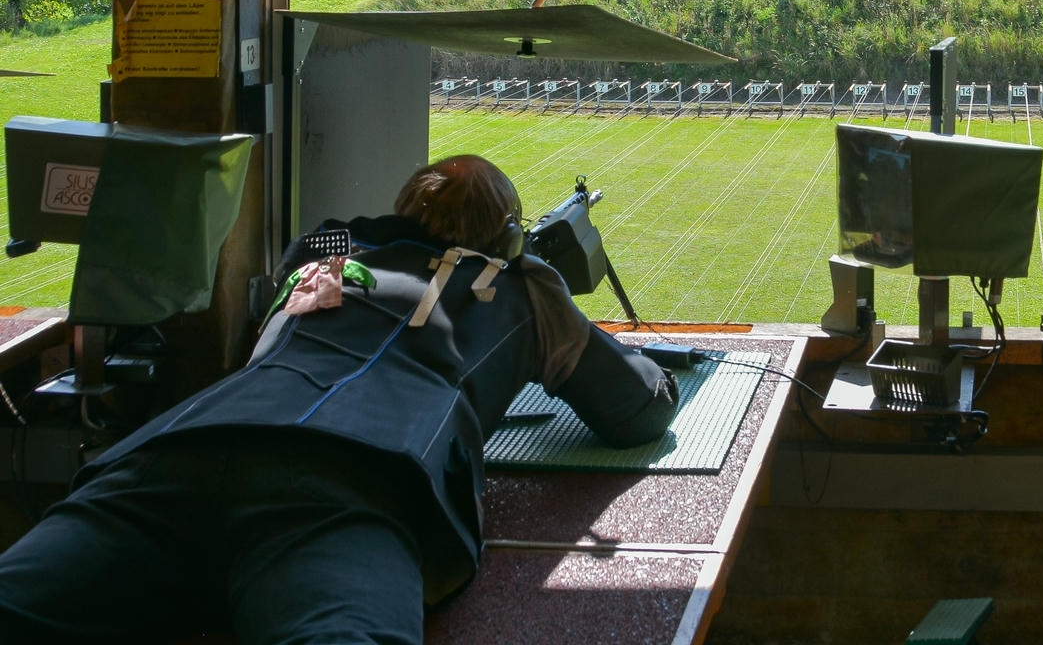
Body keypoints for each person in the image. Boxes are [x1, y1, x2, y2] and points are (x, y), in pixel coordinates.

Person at [0, 155, 679, 645]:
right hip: (352, 481)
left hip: (179, 453)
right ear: (507, 236)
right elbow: (636, 408)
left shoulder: (322, 250)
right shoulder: (522, 286)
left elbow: (344, 246)